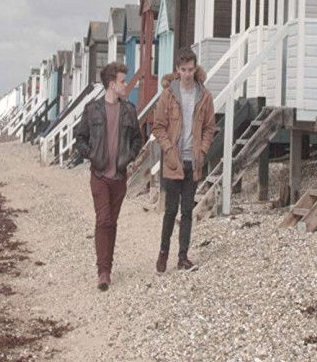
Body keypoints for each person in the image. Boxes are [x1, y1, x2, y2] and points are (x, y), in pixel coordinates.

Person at [73, 61, 143, 291]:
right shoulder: (92, 109)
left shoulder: (129, 110)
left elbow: (137, 139)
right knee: (103, 220)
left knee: (112, 222)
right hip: (100, 175)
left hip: (119, 176)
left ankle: (107, 267)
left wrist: (129, 156)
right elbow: (80, 138)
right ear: (112, 84)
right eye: (123, 81)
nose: (126, 85)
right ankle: (102, 272)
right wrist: (92, 155)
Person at [150, 47, 216, 273]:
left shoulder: (204, 96)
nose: (188, 74)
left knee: (187, 211)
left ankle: (183, 257)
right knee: (170, 210)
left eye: (191, 69)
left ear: (195, 69)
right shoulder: (168, 95)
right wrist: (169, 150)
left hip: (193, 162)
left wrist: (203, 150)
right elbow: (158, 127)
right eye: (184, 69)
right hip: (173, 162)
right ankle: (163, 253)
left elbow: (209, 127)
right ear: (177, 69)